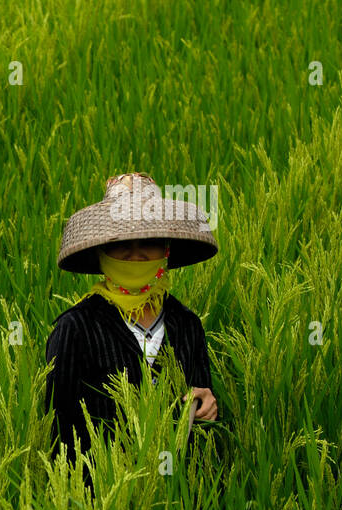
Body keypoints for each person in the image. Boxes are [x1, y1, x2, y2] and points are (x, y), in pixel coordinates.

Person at [45, 173, 220, 464]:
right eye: (121, 243)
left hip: (177, 495)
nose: (135, 254)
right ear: (100, 251)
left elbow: (202, 423)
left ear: (166, 248)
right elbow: (58, 432)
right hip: (99, 495)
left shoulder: (186, 325)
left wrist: (208, 405)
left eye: (148, 241)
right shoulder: (75, 329)